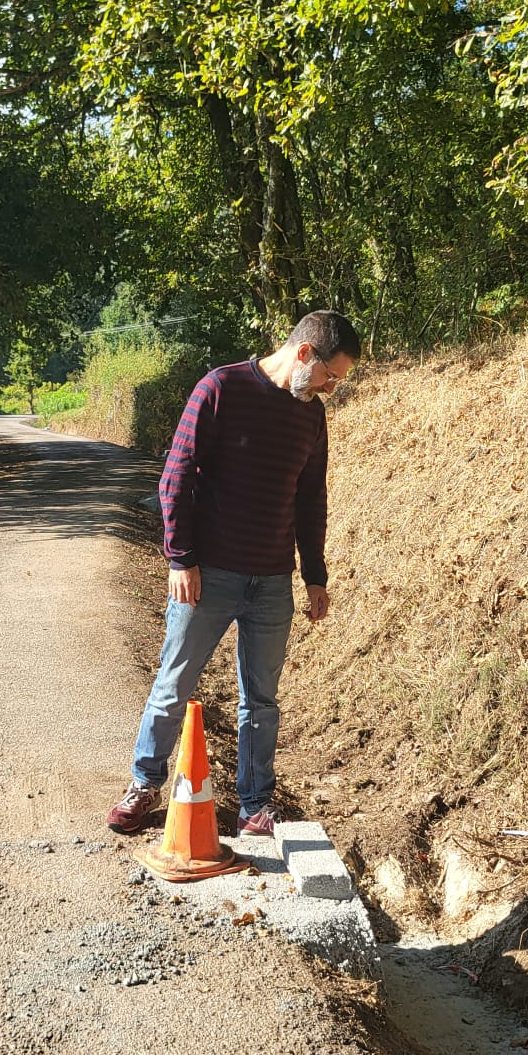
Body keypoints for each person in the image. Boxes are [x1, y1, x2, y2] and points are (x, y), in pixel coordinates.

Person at [108, 309, 361, 838]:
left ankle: (254, 805)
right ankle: (143, 784)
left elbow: (311, 498)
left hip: (272, 581)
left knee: (261, 699)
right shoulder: (219, 388)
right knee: (174, 682)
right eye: (330, 376)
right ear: (304, 353)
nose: (331, 388)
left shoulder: (310, 415)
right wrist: (181, 557)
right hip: (210, 575)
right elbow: (175, 476)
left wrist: (315, 575)